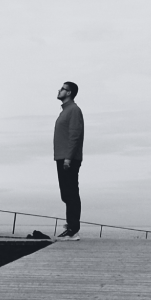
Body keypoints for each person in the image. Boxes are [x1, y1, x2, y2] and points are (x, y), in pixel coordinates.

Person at [54, 81, 83, 239]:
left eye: (63, 89)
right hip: (62, 157)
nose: (59, 90)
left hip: (68, 158)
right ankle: (71, 226)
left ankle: (73, 229)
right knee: (66, 194)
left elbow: (75, 135)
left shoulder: (74, 110)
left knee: (71, 192)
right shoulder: (65, 111)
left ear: (69, 93)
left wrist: (68, 158)